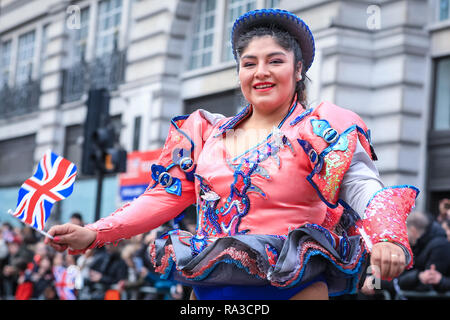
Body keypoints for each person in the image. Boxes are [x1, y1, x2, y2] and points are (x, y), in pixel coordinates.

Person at [45, 8, 419, 300]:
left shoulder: (321, 128)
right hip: (208, 289)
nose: (261, 72)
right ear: (239, 71)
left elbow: (363, 186)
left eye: (275, 61)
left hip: (292, 288)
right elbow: (161, 197)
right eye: (249, 63)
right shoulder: (205, 133)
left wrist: (388, 235)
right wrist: (94, 232)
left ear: (298, 69)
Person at [361, 211, 450, 297]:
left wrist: (375, 283)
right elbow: (400, 276)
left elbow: (425, 283)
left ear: (413, 230)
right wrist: (375, 282)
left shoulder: (438, 246)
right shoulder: (419, 244)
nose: (403, 237)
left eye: (404, 231)